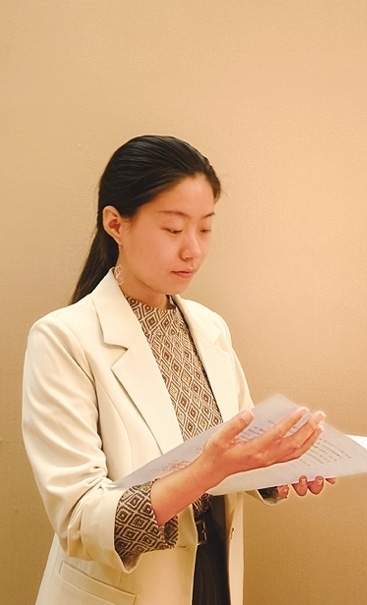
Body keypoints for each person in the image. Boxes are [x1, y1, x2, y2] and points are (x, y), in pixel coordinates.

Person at [22, 135, 333, 605]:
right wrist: (206, 470)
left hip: (213, 575)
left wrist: (279, 464)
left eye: (205, 229)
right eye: (173, 229)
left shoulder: (210, 327)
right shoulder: (62, 338)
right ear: (115, 223)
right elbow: (80, 520)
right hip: (129, 588)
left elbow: (238, 447)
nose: (194, 250)